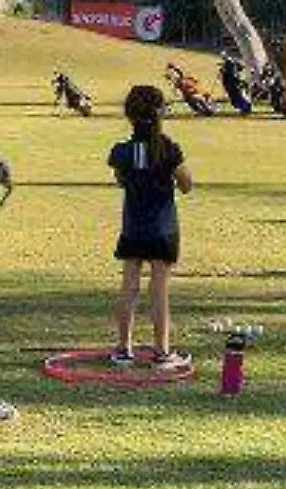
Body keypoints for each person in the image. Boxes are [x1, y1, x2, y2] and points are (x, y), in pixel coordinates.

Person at [108, 86, 193, 369]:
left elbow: (121, 180)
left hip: (132, 229)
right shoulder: (168, 149)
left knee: (128, 287)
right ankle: (162, 352)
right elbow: (187, 184)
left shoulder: (122, 151)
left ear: (129, 115)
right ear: (160, 113)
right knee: (159, 290)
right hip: (162, 230)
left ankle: (123, 350)